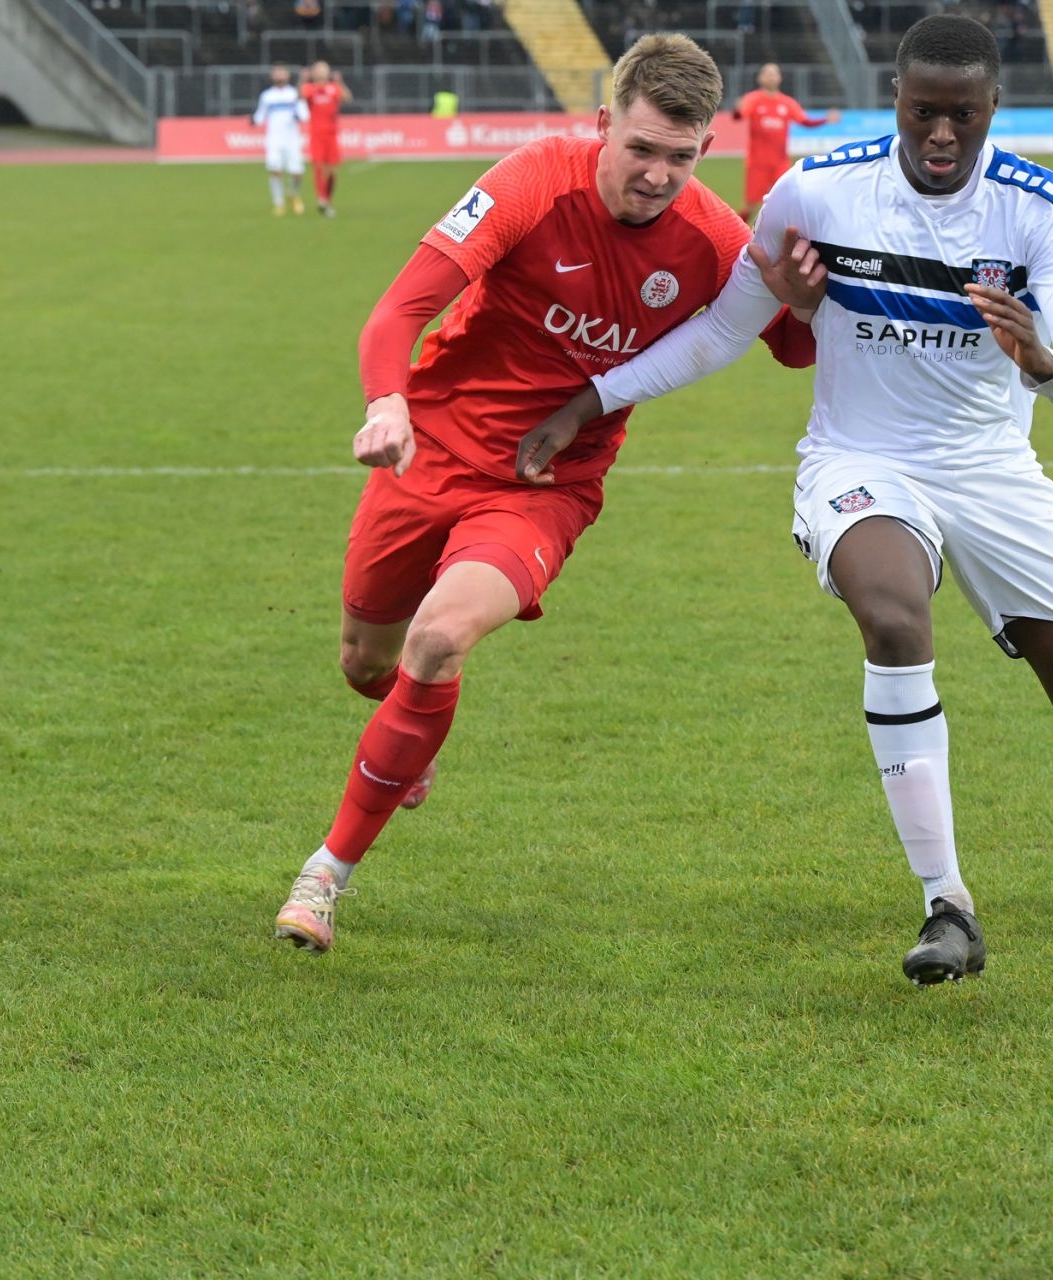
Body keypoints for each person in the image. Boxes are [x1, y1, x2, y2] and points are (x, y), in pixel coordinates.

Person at [518, 14, 1053, 987]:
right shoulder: (818, 191)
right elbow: (720, 331)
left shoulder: (1040, 207)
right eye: (923, 113)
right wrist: (591, 397)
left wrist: (1044, 361)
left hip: (992, 468)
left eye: (962, 116)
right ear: (897, 101)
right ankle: (947, 903)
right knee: (890, 612)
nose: (940, 137)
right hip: (859, 457)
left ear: (993, 109)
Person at [273, 33, 818, 952]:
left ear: (705, 151)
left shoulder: (718, 240)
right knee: (366, 663)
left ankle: (325, 877)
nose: (655, 176)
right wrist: (387, 402)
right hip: (432, 448)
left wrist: (800, 301)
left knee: (439, 638)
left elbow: (791, 350)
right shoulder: (532, 181)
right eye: (640, 149)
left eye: (679, 159)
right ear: (604, 123)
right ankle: (404, 736)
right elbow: (400, 309)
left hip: (545, 484)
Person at [731, 62, 839, 221]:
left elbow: (805, 121)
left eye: (774, 73)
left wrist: (825, 120)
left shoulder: (787, 103)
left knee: (789, 201)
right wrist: (736, 109)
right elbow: (739, 115)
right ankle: (737, 234)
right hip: (757, 163)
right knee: (751, 205)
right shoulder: (753, 99)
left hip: (780, 163)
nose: (770, 76)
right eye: (767, 73)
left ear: (779, 78)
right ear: (760, 78)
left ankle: (787, 236)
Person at [254, 64, 310, 216]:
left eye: (282, 72)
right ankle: (278, 202)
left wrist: (298, 116)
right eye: (276, 73)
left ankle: (293, 194)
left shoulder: (295, 94)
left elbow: (304, 115)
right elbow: (260, 115)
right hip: (274, 139)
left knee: (296, 172)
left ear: (287, 75)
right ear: (272, 76)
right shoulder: (267, 96)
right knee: (275, 170)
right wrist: (253, 121)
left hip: (292, 139)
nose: (279, 75)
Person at [301, 60, 353, 216]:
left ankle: (327, 200)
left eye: (324, 69)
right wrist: (303, 79)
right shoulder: (310, 88)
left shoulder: (334, 88)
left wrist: (340, 82)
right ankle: (321, 200)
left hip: (332, 134)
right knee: (318, 166)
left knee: (332, 172)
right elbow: (300, 95)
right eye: (319, 69)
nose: (322, 72)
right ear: (314, 72)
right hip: (316, 134)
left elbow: (348, 98)